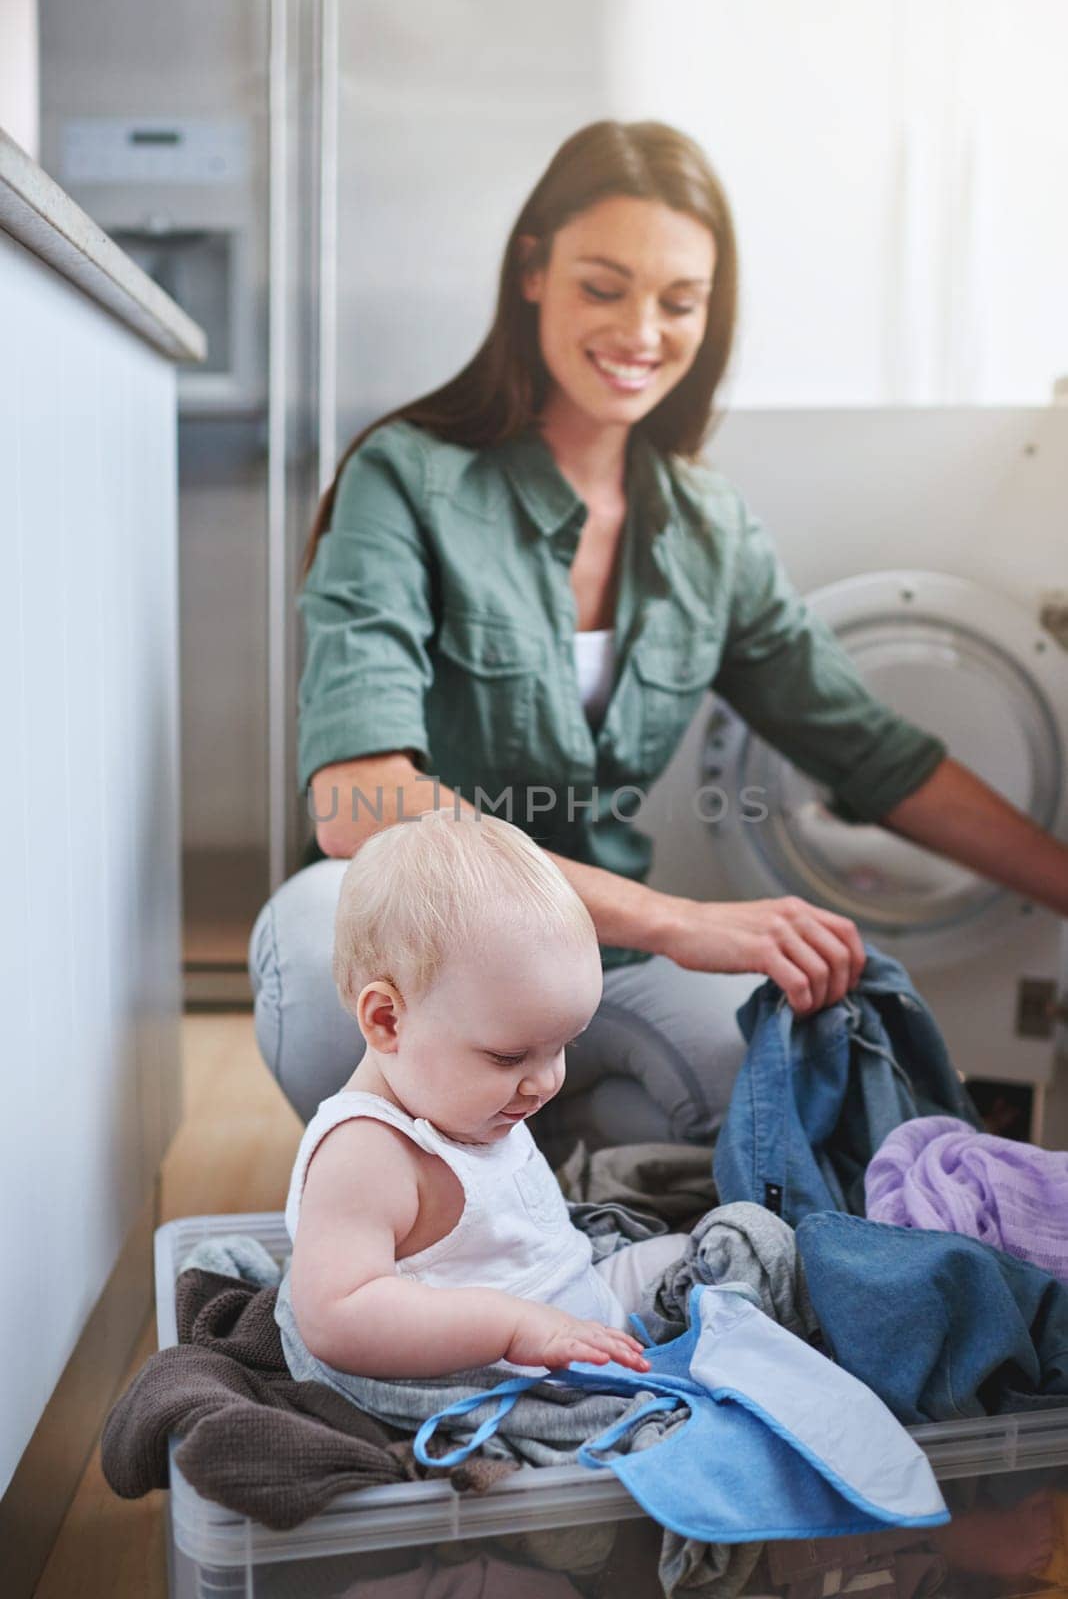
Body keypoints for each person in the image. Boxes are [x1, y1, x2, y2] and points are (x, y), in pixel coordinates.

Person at [250, 118, 1068, 1150]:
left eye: (678, 301)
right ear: (533, 272)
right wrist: (679, 920)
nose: (642, 330)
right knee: (325, 918)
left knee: (801, 1070)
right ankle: (472, 1170)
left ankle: (554, 1179)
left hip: (600, 985)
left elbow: (876, 757)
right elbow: (358, 805)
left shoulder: (706, 528)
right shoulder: (404, 479)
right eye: (604, 287)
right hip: (430, 972)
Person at [282, 808, 688, 1378]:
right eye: (509, 1056)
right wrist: (512, 1328)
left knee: (718, 1254)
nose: (545, 1081)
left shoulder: (461, 1098)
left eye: (562, 1046)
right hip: (498, 1371)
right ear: (387, 1021)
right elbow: (335, 1317)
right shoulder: (365, 1155)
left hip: (582, 1301)